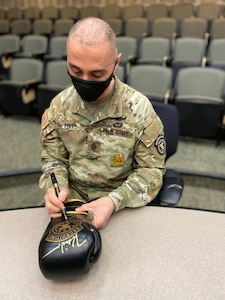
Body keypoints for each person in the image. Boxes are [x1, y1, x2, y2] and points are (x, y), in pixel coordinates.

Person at [39, 17, 166, 229]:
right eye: (76, 71)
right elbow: (53, 158)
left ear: (116, 63)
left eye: (97, 74)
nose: (85, 80)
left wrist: (113, 201)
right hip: (71, 205)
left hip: (121, 204)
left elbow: (152, 170)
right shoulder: (59, 106)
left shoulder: (138, 109)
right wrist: (56, 187)